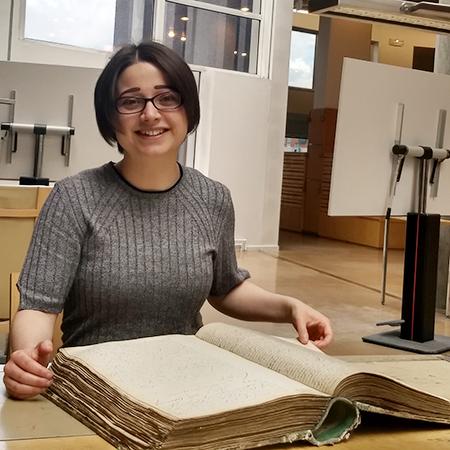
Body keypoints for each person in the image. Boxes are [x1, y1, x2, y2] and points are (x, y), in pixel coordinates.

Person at [3, 41, 332, 400]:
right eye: (131, 101)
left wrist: (289, 307)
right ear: (110, 118)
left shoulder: (212, 198)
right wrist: (25, 360)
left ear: (188, 109)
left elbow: (226, 288)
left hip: (187, 387)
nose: (150, 114)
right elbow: (38, 306)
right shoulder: (74, 197)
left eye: (167, 98)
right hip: (98, 391)